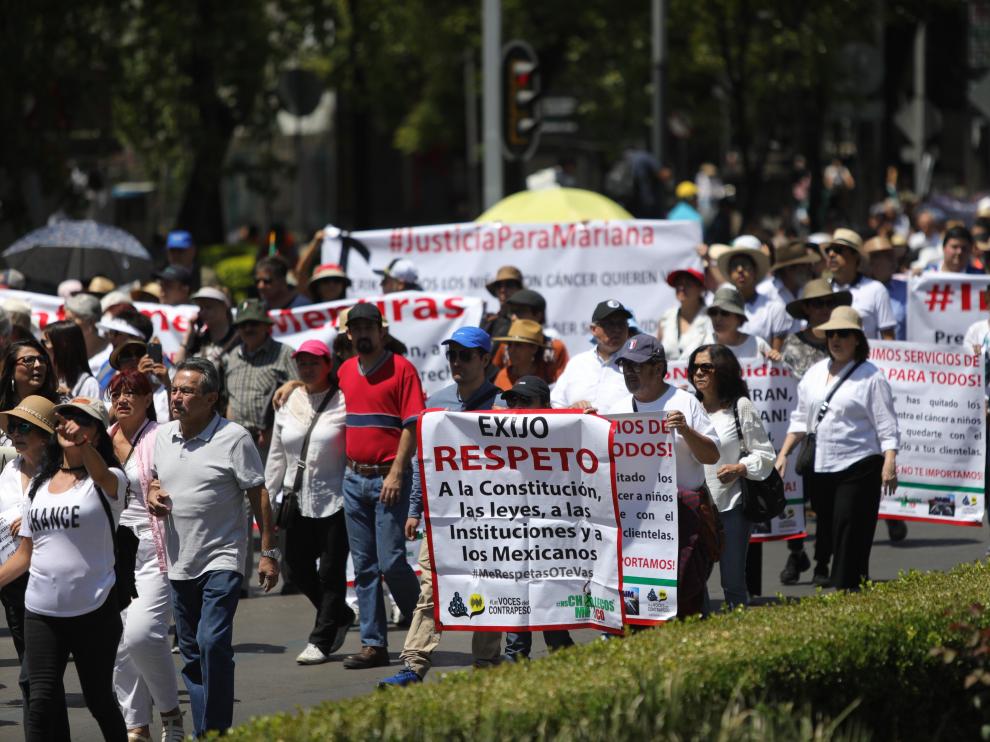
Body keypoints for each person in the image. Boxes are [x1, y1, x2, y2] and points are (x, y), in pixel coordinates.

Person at [148, 358, 279, 737]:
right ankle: (208, 731)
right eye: (174, 389)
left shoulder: (233, 437)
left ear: (211, 399)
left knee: (211, 642)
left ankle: (216, 727)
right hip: (179, 561)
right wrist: (154, 492)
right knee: (191, 655)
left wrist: (269, 554)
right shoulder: (162, 436)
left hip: (221, 558)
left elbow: (259, 494)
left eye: (187, 391)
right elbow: (156, 479)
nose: (177, 397)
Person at [378, 327, 502, 687]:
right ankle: (413, 665)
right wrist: (415, 508)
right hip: (444, 518)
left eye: (465, 355)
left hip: (492, 519)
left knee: (489, 587)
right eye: (452, 355)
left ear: (484, 360)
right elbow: (424, 462)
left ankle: (487, 662)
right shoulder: (437, 402)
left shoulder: (503, 405)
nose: (456, 362)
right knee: (431, 590)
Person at [0, 396, 127, 740]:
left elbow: (100, 472)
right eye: (65, 419)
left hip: (94, 609)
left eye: (81, 421)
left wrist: (82, 446)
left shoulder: (109, 480)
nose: (70, 425)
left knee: (99, 700)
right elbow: (25, 554)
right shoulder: (39, 485)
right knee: (39, 700)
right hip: (41, 611)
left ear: (97, 434)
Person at [775, 307, 899, 590]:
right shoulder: (815, 374)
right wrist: (784, 454)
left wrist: (889, 461)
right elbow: (800, 418)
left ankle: (846, 586)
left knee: (848, 522)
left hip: (860, 463)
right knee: (831, 525)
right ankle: (856, 580)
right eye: (831, 334)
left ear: (857, 339)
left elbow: (886, 424)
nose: (836, 339)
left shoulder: (871, 376)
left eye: (843, 334)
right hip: (821, 464)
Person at [604, 334, 719, 617]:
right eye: (625, 366)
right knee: (639, 597)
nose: (629, 373)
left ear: (658, 368)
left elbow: (712, 456)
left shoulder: (685, 403)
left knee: (686, 594)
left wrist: (686, 430)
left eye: (637, 366)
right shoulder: (616, 409)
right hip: (637, 522)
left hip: (682, 517)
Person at [336, 303, 423, 669]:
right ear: (349, 334)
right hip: (354, 478)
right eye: (357, 328)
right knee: (365, 566)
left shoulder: (402, 369)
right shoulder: (343, 370)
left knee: (391, 561)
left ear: (382, 331)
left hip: (388, 477)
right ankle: (374, 645)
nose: (363, 334)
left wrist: (397, 472)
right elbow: (317, 391)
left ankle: (424, 622)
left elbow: (411, 425)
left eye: (369, 327)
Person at [264, 340, 352, 666]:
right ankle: (340, 614)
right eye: (302, 362)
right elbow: (276, 455)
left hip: (336, 497)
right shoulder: (287, 400)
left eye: (315, 361)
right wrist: (266, 498)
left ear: (328, 363)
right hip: (294, 498)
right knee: (295, 568)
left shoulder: (345, 399)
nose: (308, 367)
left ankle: (322, 639)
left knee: (330, 571)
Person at [108, 370, 184, 741]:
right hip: (112, 553)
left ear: (147, 399)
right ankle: (136, 726)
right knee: (122, 644)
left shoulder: (160, 436)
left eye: (131, 393)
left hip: (154, 548)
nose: (122, 399)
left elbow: (170, 477)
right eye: (116, 393)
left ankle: (170, 713)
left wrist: (159, 490)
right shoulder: (102, 439)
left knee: (142, 635)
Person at [687, 345, 775, 609]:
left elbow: (764, 453)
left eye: (706, 367)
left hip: (731, 505)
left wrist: (739, 468)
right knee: (694, 580)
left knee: (732, 581)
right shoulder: (690, 407)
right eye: (694, 367)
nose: (698, 372)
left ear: (722, 370)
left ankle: (740, 635)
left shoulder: (740, 406)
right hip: (698, 507)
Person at [0, 396, 68, 736]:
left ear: (45, 435)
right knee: (40, 682)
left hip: (46, 584)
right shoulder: (9, 471)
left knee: (33, 679)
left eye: (25, 426)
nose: (16, 433)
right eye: (13, 426)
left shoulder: (60, 474)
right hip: (12, 588)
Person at [498, 375, 575, 659]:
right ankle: (515, 658)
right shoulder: (497, 434)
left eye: (525, 401)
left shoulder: (565, 432)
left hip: (552, 534)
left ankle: (565, 660)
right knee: (517, 597)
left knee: (550, 608)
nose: (517, 407)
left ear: (545, 404)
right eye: (512, 401)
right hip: (512, 533)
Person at [221, 298, 297, 454]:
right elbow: (230, 399)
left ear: (267, 326)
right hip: (235, 441)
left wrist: (273, 428)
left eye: (254, 323)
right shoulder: (233, 356)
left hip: (272, 443)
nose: (248, 328)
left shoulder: (285, 353)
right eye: (243, 325)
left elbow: (303, 391)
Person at [550, 299, 633, 411]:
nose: (617, 329)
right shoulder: (577, 363)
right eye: (610, 324)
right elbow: (556, 402)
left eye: (621, 324)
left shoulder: (637, 364)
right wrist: (571, 411)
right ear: (593, 330)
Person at [717, 236, 792, 350]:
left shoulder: (775, 309)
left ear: (755, 271)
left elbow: (777, 358)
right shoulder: (718, 311)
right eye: (735, 266)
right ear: (729, 273)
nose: (740, 270)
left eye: (745, 265)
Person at [824, 228, 897, 341]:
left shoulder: (876, 289)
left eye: (838, 249)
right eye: (829, 250)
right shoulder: (822, 290)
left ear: (856, 256)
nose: (831, 254)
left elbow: (888, 338)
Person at [493, 289, 569, 381]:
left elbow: (562, 386)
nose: (514, 317)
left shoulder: (556, 347)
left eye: (520, 312)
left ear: (538, 315)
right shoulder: (504, 346)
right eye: (512, 312)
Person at [0, 341, 59, 445]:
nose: (38, 365)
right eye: (28, 360)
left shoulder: (58, 407)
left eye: (42, 360)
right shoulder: (2, 403)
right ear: (11, 368)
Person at [706, 287, 779, 361]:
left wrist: (775, 358)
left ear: (739, 318)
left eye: (725, 313)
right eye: (713, 312)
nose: (718, 318)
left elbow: (775, 369)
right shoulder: (703, 344)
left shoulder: (758, 345)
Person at [656, 268, 714, 361]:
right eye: (678, 284)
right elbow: (657, 354)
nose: (681, 288)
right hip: (669, 374)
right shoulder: (666, 317)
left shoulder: (712, 316)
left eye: (687, 284)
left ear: (701, 288)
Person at [174, 286, 237, 367]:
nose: (202, 312)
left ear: (224, 307)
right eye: (201, 307)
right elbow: (176, 366)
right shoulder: (199, 341)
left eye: (208, 307)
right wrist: (188, 335)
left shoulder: (238, 339)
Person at [491, 319, 561, 390]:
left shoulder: (550, 374)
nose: (511, 350)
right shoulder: (502, 376)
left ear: (534, 348)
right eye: (509, 345)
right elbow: (499, 401)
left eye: (518, 345)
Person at [41, 319, 101, 401]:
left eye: (45, 342)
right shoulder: (43, 379)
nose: (41, 348)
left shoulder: (89, 384)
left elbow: (92, 413)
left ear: (63, 345)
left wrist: (70, 399)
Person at [864, 237, 907, 340]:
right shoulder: (858, 291)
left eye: (893, 257)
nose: (894, 263)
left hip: (900, 353)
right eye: (887, 258)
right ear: (871, 264)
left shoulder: (906, 288)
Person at [757, 240, 817, 310]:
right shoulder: (764, 293)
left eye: (809, 264)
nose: (809, 269)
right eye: (804, 265)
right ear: (789, 269)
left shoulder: (809, 290)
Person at [64, 293, 111, 375]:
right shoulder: (65, 348)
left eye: (71, 320)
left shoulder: (109, 353)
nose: (65, 325)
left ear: (91, 322)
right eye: (65, 320)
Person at [481, 266, 524, 345]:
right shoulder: (488, 321)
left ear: (519, 290)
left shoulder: (526, 322)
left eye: (509, 285)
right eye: (499, 285)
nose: (502, 290)